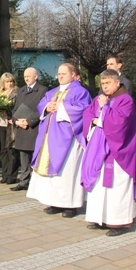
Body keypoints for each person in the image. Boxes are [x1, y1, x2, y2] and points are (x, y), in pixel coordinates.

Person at [82, 69, 136, 236]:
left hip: (118, 151)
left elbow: (119, 123)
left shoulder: (125, 100)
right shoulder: (100, 99)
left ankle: (120, 222)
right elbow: (88, 115)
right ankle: (100, 218)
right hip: (99, 150)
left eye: (108, 83)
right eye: (102, 84)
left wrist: (102, 111)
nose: (105, 87)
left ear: (118, 83)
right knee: (99, 184)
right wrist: (94, 120)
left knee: (117, 185)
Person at [27, 63, 91, 217]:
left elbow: (83, 109)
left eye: (64, 73)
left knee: (68, 172)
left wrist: (61, 108)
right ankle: (55, 202)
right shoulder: (53, 92)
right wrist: (48, 106)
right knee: (52, 174)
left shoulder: (80, 92)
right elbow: (42, 104)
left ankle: (70, 205)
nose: (60, 76)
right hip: (49, 138)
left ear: (73, 74)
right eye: (59, 73)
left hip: (69, 139)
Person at [10, 67, 47, 191]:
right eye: (25, 76)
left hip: (34, 128)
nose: (26, 78)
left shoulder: (42, 90)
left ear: (35, 77)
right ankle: (24, 181)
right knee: (23, 156)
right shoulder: (21, 91)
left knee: (35, 156)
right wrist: (17, 121)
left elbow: (42, 109)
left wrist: (29, 121)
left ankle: (37, 182)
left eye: (29, 76)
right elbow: (15, 109)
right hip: (21, 127)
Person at [0, 72, 18, 184]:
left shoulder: (16, 93)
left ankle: (12, 176)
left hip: (11, 124)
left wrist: (13, 117)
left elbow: (18, 108)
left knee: (11, 150)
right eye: (7, 82)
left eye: (11, 81)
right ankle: (4, 175)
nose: (10, 84)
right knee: (3, 150)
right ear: (2, 83)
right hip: (1, 124)